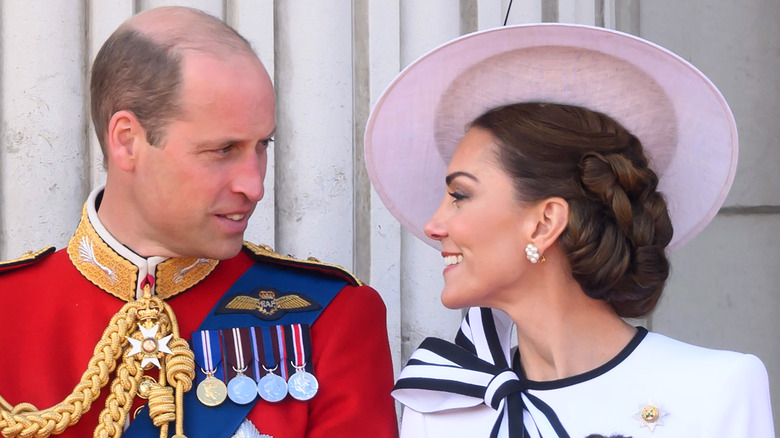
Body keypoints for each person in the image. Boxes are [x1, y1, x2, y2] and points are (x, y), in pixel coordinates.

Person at [0, 7, 398, 438]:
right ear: (127, 142)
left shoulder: (331, 316)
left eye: (262, 145)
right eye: (223, 149)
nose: (255, 185)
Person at [364, 24, 774, 437]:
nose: (433, 226)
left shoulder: (715, 390)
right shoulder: (439, 407)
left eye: (460, 194)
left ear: (545, 223)